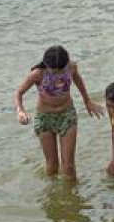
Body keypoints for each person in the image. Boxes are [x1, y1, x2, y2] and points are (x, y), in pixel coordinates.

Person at [13, 45, 104, 182]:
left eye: (61, 71)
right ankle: (53, 197)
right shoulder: (37, 74)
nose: (58, 75)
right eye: (54, 72)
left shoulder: (71, 67)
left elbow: (79, 82)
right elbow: (19, 93)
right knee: (52, 166)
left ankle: (72, 198)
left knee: (69, 167)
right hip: (45, 118)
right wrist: (20, 111)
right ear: (46, 65)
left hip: (67, 116)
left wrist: (87, 101)